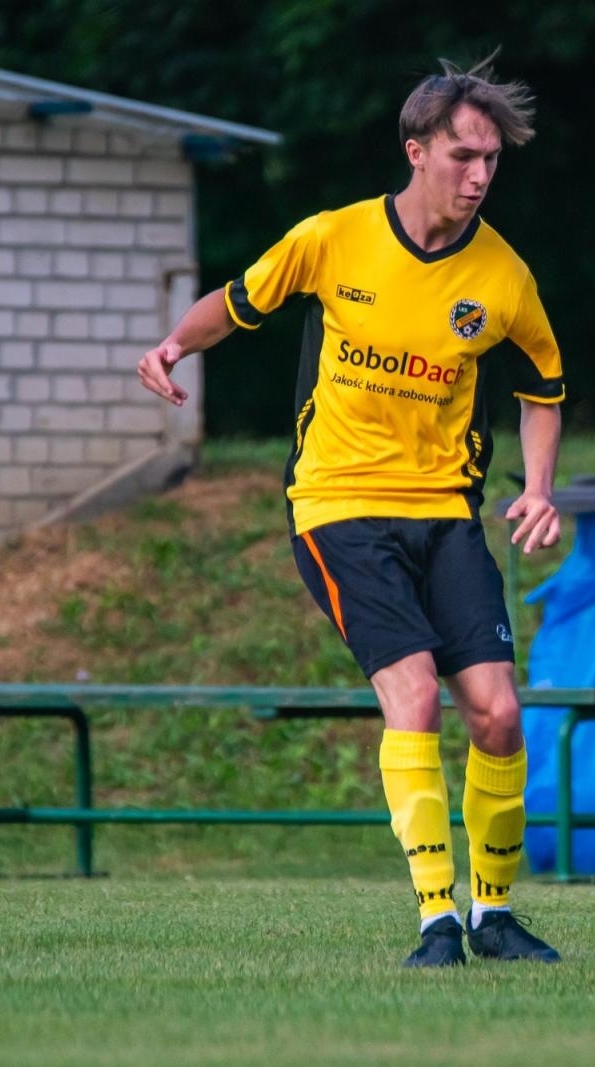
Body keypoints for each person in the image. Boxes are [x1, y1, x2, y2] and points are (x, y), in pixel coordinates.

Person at [137, 53, 567, 966]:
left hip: (446, 513)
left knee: (497, 712)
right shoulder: (334, 239)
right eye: (462, 155)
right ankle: (436, 920)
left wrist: (536, 486)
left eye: (491, 158)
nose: (480, 175)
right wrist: (174, 343)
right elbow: (240, 299)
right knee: (413, 696)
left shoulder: (505, 277)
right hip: (339, 506)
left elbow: (543, 383)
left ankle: (493, 914)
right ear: (415, 151)